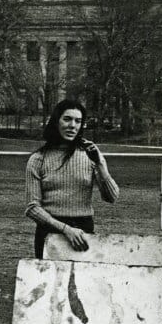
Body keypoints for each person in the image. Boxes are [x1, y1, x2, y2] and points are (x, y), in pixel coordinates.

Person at [25, 99, 119, 258]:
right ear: (56, 121)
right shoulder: (38, 159)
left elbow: (112, 197)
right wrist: (66, 230)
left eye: (78, 121)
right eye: (67, 119)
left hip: (83, 233)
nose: (72, 125)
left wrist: (100, 164)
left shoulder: (90, 155)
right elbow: (33, 208)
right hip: (50, 231)